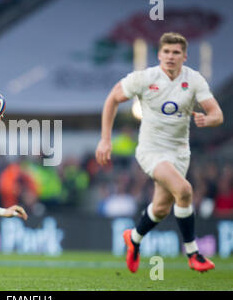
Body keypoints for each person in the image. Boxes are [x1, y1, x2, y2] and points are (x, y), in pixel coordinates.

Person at [95, 32, 223, 273]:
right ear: (159, 54)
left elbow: (217, 114)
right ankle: (193, 253)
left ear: (184, 56)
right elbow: (112, 98)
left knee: (161, 208)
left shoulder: (194, 80)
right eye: (166, 52)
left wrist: (209, 119)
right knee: (184, 190)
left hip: (179, 153)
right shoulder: (145, 78)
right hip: (151, 151)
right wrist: (105, 140)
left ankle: (133, 238)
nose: (170, 57)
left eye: (176, 52)